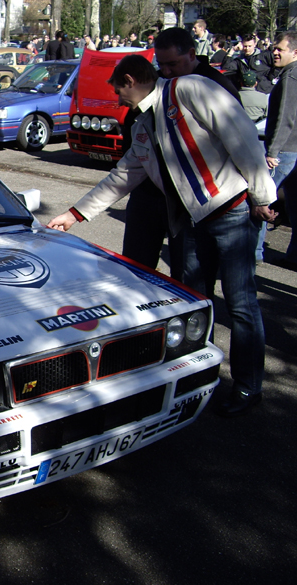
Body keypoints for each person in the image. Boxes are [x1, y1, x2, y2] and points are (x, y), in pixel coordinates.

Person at [48, 54, 276, 418]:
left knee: (241, 303)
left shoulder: (188, 89)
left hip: (230, 211)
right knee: (193, 301)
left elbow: (242, 137)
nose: (117, 98)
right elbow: (124, 176)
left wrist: (263, 196)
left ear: (129, 80)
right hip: (192, 220)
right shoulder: (143, 122)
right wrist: (75, 214)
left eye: (117, 90)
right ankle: (199, 372)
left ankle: (249, 386)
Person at [120, 26, 241, 278]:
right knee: (135, 267)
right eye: (160, 64)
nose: (165, 71)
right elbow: (133, 133)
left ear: (191, 54)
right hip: (148, 191)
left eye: (172, 64)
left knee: (189, 276)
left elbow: (239, 143)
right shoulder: (157, 83)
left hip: (192, 197)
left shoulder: (215, 85)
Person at [264, 32, 297, 270]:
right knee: (294, 206)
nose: (275, 52)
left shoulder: (291, 76)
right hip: (292, 149)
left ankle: (253, 254)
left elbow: (286, 118)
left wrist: (273, 151)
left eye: (280, 49)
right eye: (274, 48)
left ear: (295, 52)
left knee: (261, 201)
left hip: (285, 151)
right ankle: (294, 256)